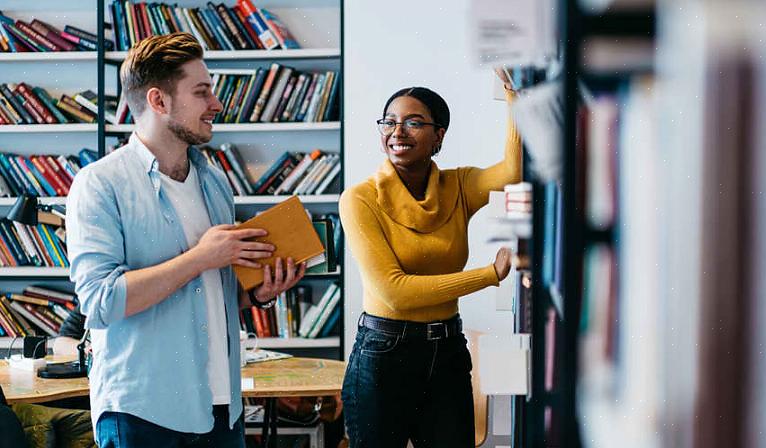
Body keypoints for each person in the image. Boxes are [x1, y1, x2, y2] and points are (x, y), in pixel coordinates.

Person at [67, 32, 305, 447]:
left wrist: (258, 295)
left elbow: (206, 295)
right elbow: (101, 302)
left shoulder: (214, 180)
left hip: (220, 407)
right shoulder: (99, 184)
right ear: (159, 102)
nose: (216, 104)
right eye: (202, 92)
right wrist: (200, 257)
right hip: (142, 410)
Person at [339, 70, 520, 447]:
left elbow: (512, 171)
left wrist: (513, 95)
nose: (397, 131)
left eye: (413, 122)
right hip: (384, 356)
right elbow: (395, 293)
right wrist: (488, 275)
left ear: (439, 135)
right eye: (389, 122)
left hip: (448, 351)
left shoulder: (459, 185)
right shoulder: (359, 199)